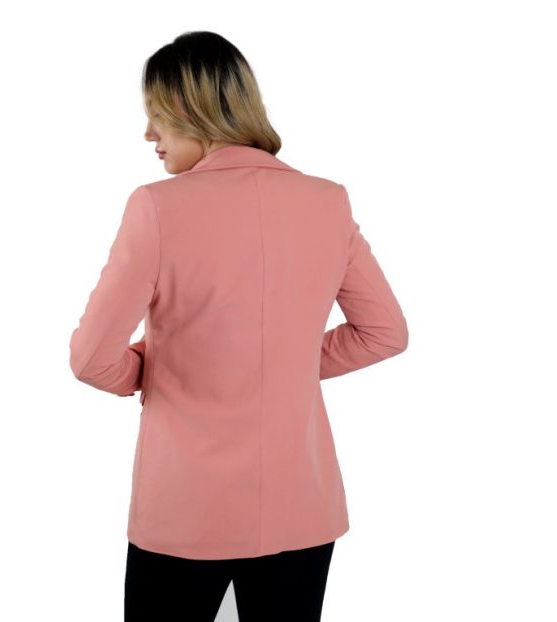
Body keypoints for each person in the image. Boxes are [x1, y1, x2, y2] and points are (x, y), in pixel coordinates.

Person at [69, 30, 408, 622]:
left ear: (188, 109)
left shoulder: (157, 206)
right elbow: (384, 333)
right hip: (302, 507)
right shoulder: (327, 201)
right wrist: (282, 360)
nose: (148, 134)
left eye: (156, 116)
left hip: (185, 511)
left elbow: (91, 359)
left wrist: (157, 367)